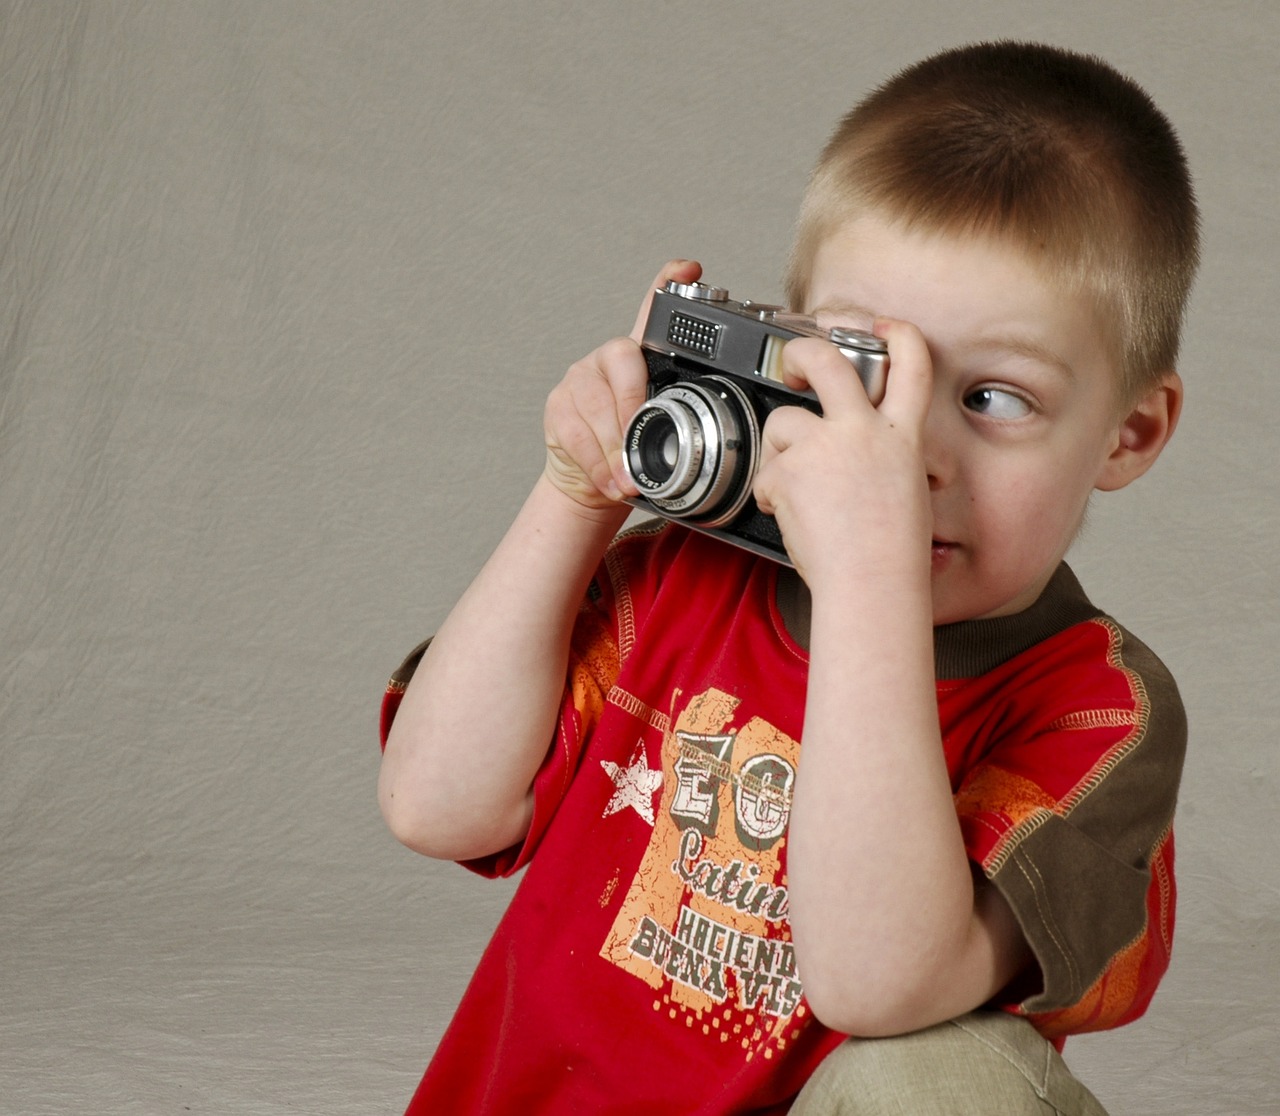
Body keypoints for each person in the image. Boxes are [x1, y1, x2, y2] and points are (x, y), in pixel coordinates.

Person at [377, 40, 1198, 1115]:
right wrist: (576, 498)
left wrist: (866, 579)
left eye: (993, 399)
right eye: (865, 375)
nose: (910, 453)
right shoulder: (682, 582)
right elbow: (436, 807)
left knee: (936, 1071)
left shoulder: (1096, 709)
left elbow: (876, 983)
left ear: (1125, 435)